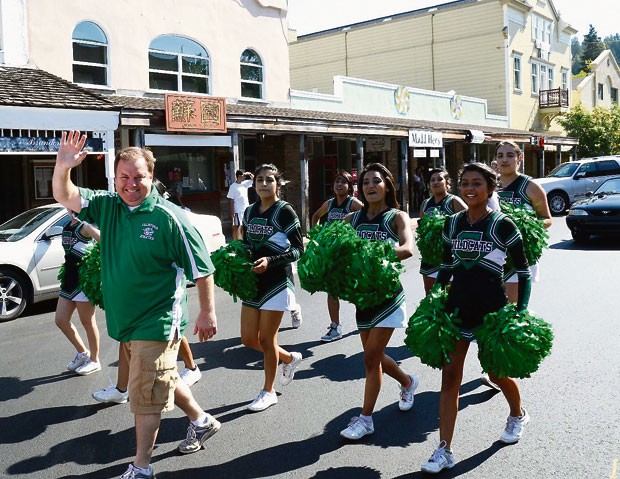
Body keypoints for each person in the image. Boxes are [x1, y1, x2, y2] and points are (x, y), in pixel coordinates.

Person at [53, 132, 220, 479]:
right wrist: (63, 166)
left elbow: (202, 270)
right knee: (162, 377)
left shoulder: (169, 217)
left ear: (151, 178)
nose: (131, 184)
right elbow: (65, 195)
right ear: (115, 179)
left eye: (138, 177)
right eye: (124, 177)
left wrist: (207, 312)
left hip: (157, 319)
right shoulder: (108, 206)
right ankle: (201, 421)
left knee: (144, 394)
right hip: (125, 319)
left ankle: (141, 466)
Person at [420, 162, 532, 474]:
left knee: (496, 374)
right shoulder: (452, 224)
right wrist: (436, 301)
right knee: (449, 379)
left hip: (491, 313)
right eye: (465, 183)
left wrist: (519, 311)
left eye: (477, 183)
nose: (470, 189)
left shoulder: (502, 224)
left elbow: (522, 271)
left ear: (490, 188)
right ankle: (444, 449)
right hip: (457, 311)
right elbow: (445, 267)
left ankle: (517, 414)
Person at [339, 163, 419, 441]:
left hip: (388, 297)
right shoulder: (352, 218)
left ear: (387, 185)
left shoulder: (397, 216)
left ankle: (365, 419)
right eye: (365, 182)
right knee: (377, 358)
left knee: (370, 359)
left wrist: (377, 253)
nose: (370, 186)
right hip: (364, 298)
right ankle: (408, 381)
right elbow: (335, 249)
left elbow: (407, 248)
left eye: (376, 181)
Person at [240, 163, 304, 412]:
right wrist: (240, 256)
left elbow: (299, 249)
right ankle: (289, 358)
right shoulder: (248, 211)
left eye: (269, 180)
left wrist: (271, 261)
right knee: (248, 339)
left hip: (277, 281)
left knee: (267, 339)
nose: (264, 184)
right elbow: (246, 242)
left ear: (278, 184)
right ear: (254, 184)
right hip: (254, 282)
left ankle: (268, 391)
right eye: (259, 180)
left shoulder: (284, 211)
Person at [495, 141, 552, 304]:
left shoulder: (531, 186)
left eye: (510, 155)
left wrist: (523, 227)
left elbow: (546, 219)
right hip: (493, 254)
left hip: (518, 256)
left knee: (513, 309)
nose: (504, 160)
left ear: (520, 158)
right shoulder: (491, 184)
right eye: (500, 156)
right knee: (492, 308)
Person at [310, 170, 363, 341]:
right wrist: (315, 234)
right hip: (332, 253)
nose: (339, 185)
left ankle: (367, 321)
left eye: (343, 182)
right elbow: (316, 215)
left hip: (349, 254)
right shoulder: (330, 203)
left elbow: (369, 216)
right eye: (336, 181)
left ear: (349, 187)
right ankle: (335, 326)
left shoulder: (353, 203)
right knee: (332, 290)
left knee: (357, 291)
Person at [55, 209, 102, 376]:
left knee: (87, 322)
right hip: (69, 278)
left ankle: (95, 360)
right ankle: (83, 352)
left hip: (83, 281)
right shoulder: (67, 225)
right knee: (61, 320)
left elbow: (105, 242)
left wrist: (94, 264)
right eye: (69, 206)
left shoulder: (85, 226)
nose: (72, 209)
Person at [418, 168, 466, 295]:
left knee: (449, 294)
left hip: (449, 256)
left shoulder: (454, 201)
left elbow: (469, 221)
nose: (436, 182)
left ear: (447, 183)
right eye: (432, 180)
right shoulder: (425, 204)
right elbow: (422, 230)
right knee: (430, 293)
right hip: (430, 259)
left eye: (440, 179)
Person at [227, 169, 254, 240]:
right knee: (236, 226)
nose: (244, 177)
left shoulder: (245, 184)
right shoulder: (233, 186)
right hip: (237, 210)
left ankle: (243, 240)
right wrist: (232, 211)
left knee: (244, 226)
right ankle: (235, 241)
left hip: (245, 209)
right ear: (239, 176)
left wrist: (249, 174)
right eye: (243, 176)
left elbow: (255, 180)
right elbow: (231, 200)